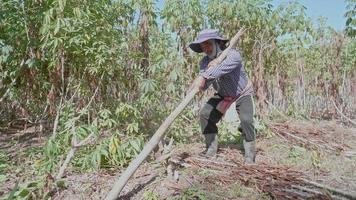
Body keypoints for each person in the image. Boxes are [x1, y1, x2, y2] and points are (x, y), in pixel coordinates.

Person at [189, 29, 256, 164]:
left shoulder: (233, 55)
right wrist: (200, 86)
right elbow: (205, 82)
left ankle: (249, 154)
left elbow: (220, 70)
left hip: (242, 93)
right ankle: (211, 149)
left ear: (217, 43)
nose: (206, 48)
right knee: (205, 115)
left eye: (208, 44)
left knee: (246, 120)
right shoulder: (204, 63)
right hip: (223, 95)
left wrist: (205, 75)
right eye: (203, 46)